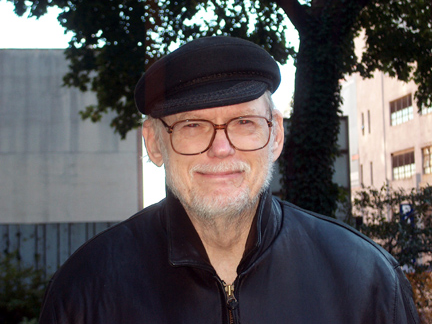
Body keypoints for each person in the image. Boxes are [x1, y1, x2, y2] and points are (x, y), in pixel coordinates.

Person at [39, 36, 419, 324]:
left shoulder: (366, 280)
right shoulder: (86, 290)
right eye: (192, 125)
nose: (221, 149)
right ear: (155, 143)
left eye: (244, 122)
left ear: (276, 135)